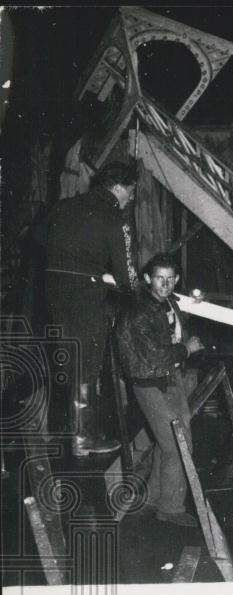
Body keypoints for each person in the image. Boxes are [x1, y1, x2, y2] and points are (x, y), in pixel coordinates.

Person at [39, 161, 140, 455]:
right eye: (131, 191)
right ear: (118, 188)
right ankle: (83, 439)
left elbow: (39, 239)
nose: (131, 197)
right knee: (88, 361)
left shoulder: (64, 206)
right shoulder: (115, 218)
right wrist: (141, 293)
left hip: (53, 288)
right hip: (86, 294)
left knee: (68, 356)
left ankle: (68, 429)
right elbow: (127, 276)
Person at [115, 254, 203, 528]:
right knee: (177, 445)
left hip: (168, 377)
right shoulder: (139, 311)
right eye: (159, 278)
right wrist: (186, 349)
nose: (165, 284)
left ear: (176, 279)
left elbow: (171, 326)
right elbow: (153, 356)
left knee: (173, 441)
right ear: (147, 279)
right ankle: (171, 508)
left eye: (170, 279)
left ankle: (153, 498)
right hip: (150, 382)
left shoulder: (167, 302)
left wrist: (194, 306)